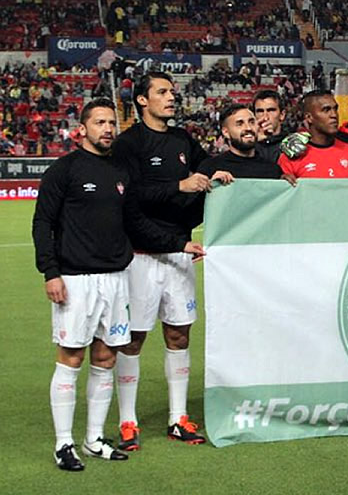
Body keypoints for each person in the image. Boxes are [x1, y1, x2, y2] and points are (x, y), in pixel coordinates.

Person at [33, 99, 203, 471]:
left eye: (112, 122)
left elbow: (136, 223)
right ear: (82, 129)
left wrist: (178, 244)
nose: (108, 128)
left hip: (116, 280)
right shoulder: (63, 171)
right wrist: (51, 272)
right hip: (75, 280)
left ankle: (94, 438)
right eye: (99, 122)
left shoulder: (121, 172)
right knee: (72, 357)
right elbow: (42, 223)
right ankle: (64, 444)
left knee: (106, 358)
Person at [112, 72, 230, 449]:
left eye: (172, 92)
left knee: (179, 333)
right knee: (133, 339)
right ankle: (127, 421)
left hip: (180, 252)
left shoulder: (182, 139)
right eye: (162, 92)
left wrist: (217, 171)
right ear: (142, 100)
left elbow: (205, 165)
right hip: (141, 256)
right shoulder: (128, 144)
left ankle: (178, 418)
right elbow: (131, 198)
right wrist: (179, 185)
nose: (171, 97)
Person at [277, 90, 348, 179]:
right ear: (309, 117)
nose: (334, 115)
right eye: (326, 110)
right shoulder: (291, 157)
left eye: (335, 109)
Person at [197, 104, 283, 179]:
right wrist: (211, 187)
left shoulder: (273, 170)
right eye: (239, 124)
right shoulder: (210, 168)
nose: (248, 128)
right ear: (226, 132)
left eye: (252, 122)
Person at [252, 89, 287, 163]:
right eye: (260, 111)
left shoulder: (292, 143)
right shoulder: (247, 145)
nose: (265, 117)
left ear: (282, 115)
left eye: (271, 110)